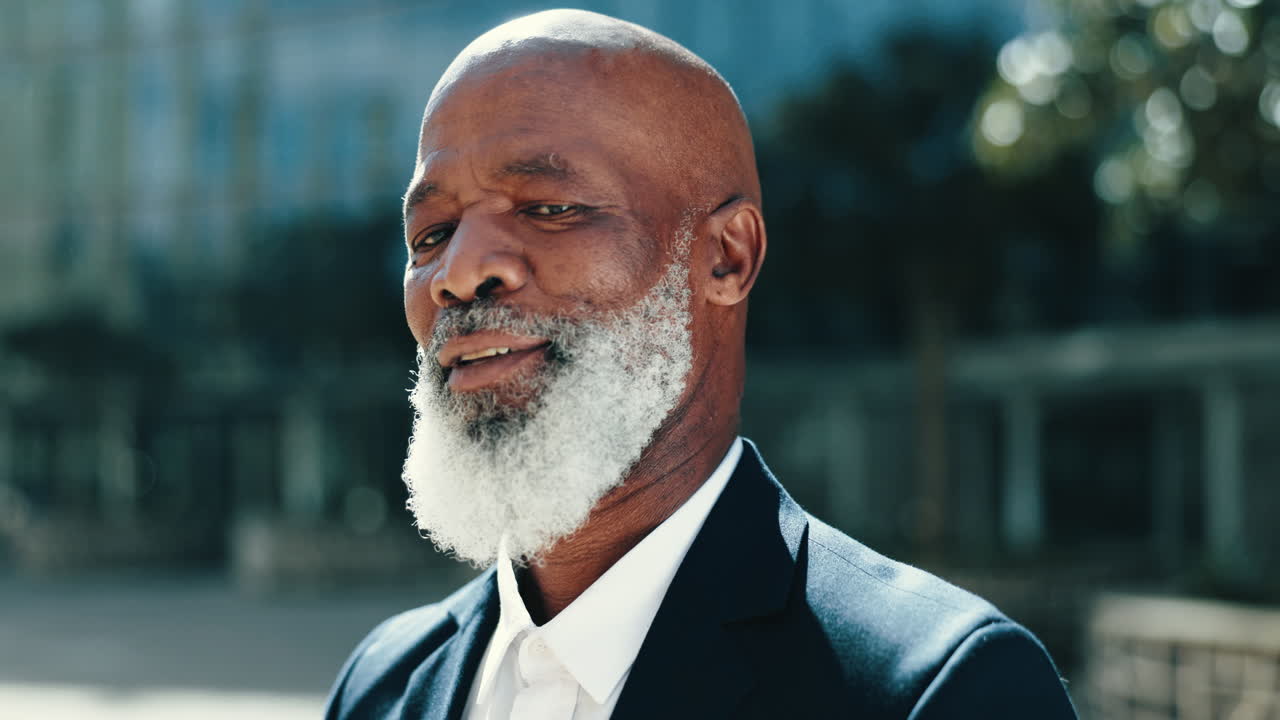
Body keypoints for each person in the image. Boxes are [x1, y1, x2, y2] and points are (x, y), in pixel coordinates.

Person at [325, 9, 1077, 719]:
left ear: (726, 257)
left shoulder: (940, 690)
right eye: (430, 235)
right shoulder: (381, 685)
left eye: (549, 208)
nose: (457, 272)